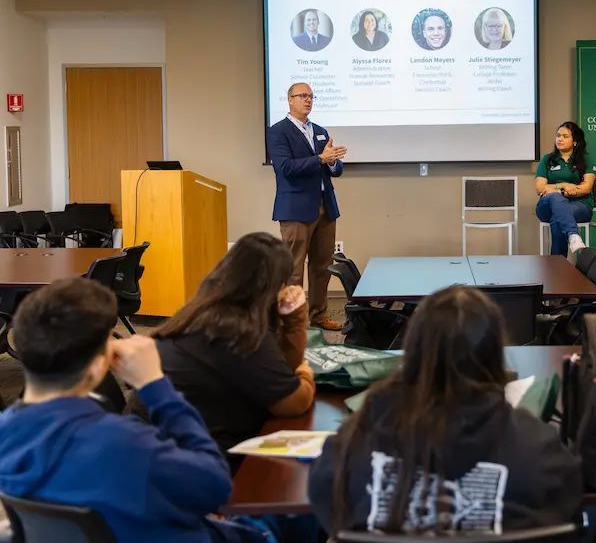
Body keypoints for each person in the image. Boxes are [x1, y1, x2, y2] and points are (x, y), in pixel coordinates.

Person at [0, 278, 264, 543]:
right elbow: (216, 486)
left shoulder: (6, 432)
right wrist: (156, 386)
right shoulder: (125, 443)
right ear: (95, 366)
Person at [307, 286, 581, 536]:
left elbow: (327, 509)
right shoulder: (537, 447)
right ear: (494, 355)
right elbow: (565, 509)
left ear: (413, 352)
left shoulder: (354, 443)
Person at [153, 232, 316, 475]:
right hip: (188, 463)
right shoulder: (238, 330)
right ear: (271, 287)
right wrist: (305, 372)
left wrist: (293, 321)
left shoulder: (202, 311)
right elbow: (293, 402)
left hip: (161, 447)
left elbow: (279, 370)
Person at [267, 82, 346, 331]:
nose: (308, 100)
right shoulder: (278, 132)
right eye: (302, 96)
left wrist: (332, 162)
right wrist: (320, 159)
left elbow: (335, 168)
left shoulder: (320, 131)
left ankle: (319, 315)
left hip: (325, 207)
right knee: (293, 268)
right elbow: (286, 168)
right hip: (295, 209)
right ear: (289, 100)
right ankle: (292, 319)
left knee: (322, 266)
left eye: (311, 96)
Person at [535, 121, 596, 257]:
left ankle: (557, 268)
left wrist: (555, 190)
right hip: (547, 206)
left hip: (580, 206)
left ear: (575, 141)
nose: (560, 139)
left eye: (565, 136)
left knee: (559, 217)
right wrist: (562, 186)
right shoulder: (547, 159)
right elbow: (540, 187)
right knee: (556, 200)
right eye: (558, 136)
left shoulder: (585, 159)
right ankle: (573, 235)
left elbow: (586, 188)